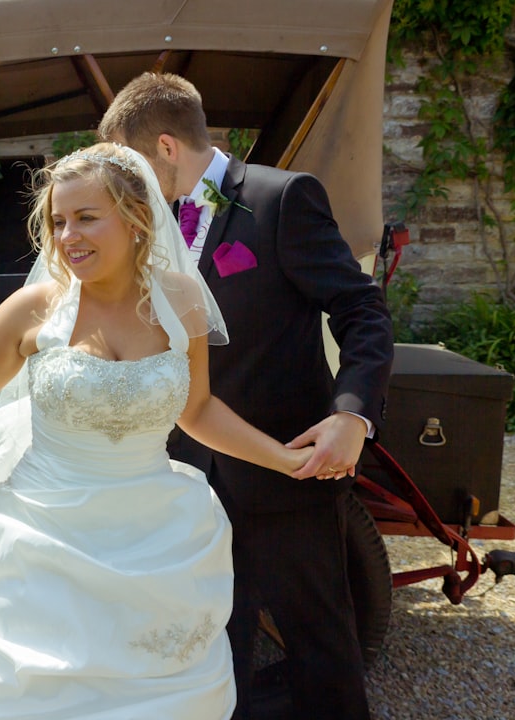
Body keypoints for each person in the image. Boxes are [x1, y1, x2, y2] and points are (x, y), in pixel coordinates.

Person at [0, 142, 315, 719]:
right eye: (58, 221)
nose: (68, 234)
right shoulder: (34, 310)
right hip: (38, 532)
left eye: (87, 217)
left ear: (137, 218)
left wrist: (284, 458)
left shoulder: (183, 300)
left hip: (155, 537)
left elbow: (196, 411)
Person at [98, 73, 394, 719]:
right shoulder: (145, 223)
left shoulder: (283, 198)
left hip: (284, 467)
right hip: (181, 479)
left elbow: (360, 309)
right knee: (206, 645)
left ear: (169, 147)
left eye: (135, 163)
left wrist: (353, 414)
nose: (130, 184)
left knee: (320, 644)